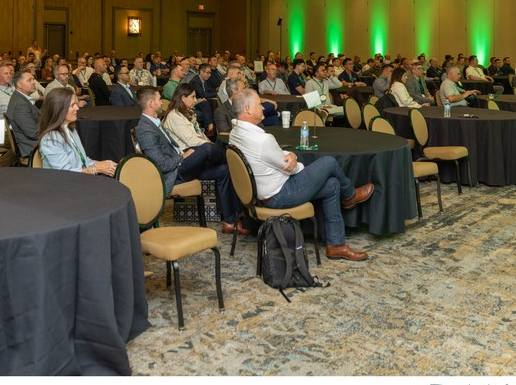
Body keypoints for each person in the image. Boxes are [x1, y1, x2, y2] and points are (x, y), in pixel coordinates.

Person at [229, 89, 371, 261]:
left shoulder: (235, 133)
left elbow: (271, 156)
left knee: (332, 184)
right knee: (329, 162)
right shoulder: (263, 140)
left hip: (261, 195)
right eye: (259, 103)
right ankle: (350, 196)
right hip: (280, 195)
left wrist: (289, 155)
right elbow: (291, 168)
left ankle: (336, 245)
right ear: (248, 109)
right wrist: (295, 160)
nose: (263, 107)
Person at [135, 86, 242, 234]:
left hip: (180, 163)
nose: (162, 102)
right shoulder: (145, 128)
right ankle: (234, 158)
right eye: (159, 99)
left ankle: (230, 221)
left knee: (223, 170)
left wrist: (183, 155)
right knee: (207, 148)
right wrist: (182, 157)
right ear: (151, 103)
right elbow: (162, 165)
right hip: (174, 172)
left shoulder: (154, 123)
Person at [37, 87, 116, 175]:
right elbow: (64, 173)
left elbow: (83, 160)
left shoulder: (70, 129)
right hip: (63, 182)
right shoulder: (51, 139)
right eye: (72, 105)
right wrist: (96, 169)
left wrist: (103, 164)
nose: (77, 108)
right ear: (59, 109)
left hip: (78, 179)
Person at [162, 82, 214, 151]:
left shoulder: (189, 113)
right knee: (212, 149)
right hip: (185, 152)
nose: (195, 100)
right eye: (193, 97)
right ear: (183, 98)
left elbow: (199, 134)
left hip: (196, 148)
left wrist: (211, 144)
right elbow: (191, 141)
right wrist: (210, 145)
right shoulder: (174, 116)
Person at [7, 70, 42, 159]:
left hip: (33, 141)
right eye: (29, 80)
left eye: (33, 79)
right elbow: (33, 133)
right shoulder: (20, 104)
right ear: (19, 84)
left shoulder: (20, 98)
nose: (33, 82)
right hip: (32, 147)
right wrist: (52, 126)